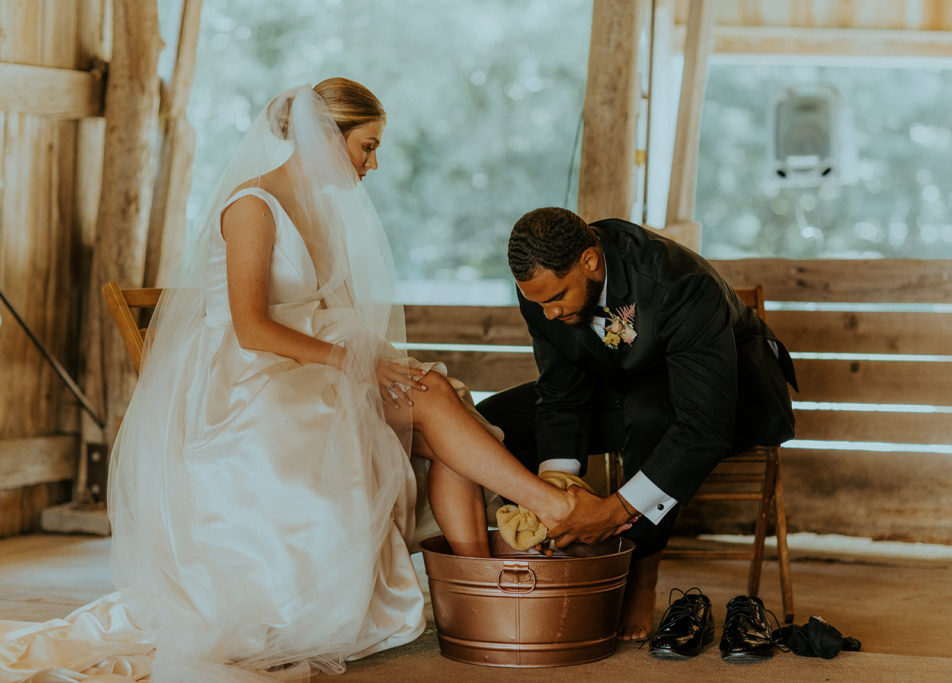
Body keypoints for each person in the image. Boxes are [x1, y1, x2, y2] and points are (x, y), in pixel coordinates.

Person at [0, 80, 572, 682]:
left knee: (438, 393)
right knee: (434, 410)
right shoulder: (253, 205)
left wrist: (389, 365)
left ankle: (479, 585)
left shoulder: (325, 210)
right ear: (326, 136)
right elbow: (251, 329)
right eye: (367, 147)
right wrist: (359, 367)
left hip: (320, 362)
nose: (373, 164)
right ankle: (547, 511)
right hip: (251, 379)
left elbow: (345, 316)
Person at [477, 207, 798, 640]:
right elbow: (562, 389)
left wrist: (612, 512)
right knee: (490, 424)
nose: (548, 314)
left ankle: (641, 570)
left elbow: (703, 425)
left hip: (731, 395)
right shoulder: (543, 289)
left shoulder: (681, 285)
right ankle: (558, 552)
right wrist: (558, 481)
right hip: (629, 381)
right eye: (538, 302)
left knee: (651, 415)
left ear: (590, 261)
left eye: (556, 299)